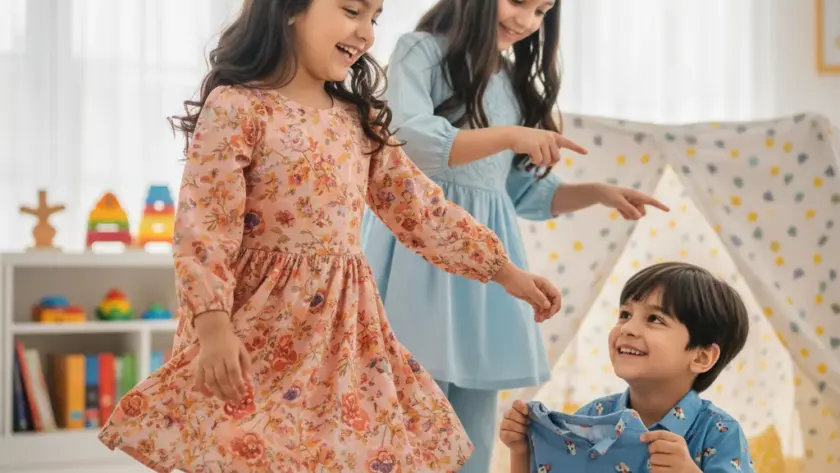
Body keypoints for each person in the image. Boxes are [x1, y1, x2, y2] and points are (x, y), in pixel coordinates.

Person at [95, 0, 565, 471]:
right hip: (255, 323)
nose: (366, 33)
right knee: (249, 448)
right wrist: (212, 326)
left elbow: (421, 210)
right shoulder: (238, 107)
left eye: (374, 18)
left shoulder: (359, 121)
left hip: (343, 329)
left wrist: (504, 272)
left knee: (343, 450)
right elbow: (205, 226)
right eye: (351, 10)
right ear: (288, 9)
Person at [361, 1, 668, 470]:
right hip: (417, 252)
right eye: (520, 1)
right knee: (408, 407)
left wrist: (598, 192)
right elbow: (412, 141)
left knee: (473, 426)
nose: (527, 20)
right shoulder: (419, 51)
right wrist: (508, 135)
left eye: (542, 11)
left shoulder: (511, 82)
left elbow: (521, 192)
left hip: (486, 275)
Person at [499, 262, 754, 473]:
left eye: (654, 319)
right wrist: (521, 451)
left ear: (701, 357)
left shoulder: (720, 432)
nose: (628, 328)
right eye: (625, 314)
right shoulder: (593, 417)